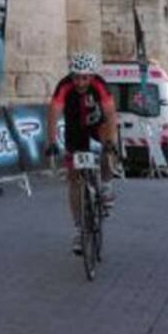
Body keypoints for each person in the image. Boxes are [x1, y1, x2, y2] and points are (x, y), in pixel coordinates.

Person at [46, 52, 119, 255]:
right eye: (76, 77)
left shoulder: (100, 85)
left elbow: (111, 114)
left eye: (85, 78)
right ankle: (79, 229)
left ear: (92, 76)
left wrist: (110, 142)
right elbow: (53, 114)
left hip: (98, 125)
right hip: (75, 131)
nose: (80, 82)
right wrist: (51, 142)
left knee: (108, 147)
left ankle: (106, 186)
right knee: (74, 180)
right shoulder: (64, 86)